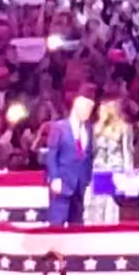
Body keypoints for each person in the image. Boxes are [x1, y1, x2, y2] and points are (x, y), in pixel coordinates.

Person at [44, 90, 96, 226]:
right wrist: (54, 178)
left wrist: (88, 179)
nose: (89, 113)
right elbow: (52, 155)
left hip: (81, 183)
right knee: (57, 221)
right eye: (86, 109)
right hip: (63, 181)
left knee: (77, 223)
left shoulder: (89, 129)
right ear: (77, 108)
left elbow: (89, 156)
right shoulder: (59, 128)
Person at [85, 99, 134, 226]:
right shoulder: (95, 128)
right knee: (95, 206)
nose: (99, 112)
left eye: (102, 109)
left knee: (111, 206)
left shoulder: (124, 128)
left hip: (115, 173)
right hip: (97, 171)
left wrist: (128, 176)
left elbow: (127, 152)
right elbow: (90, 152)